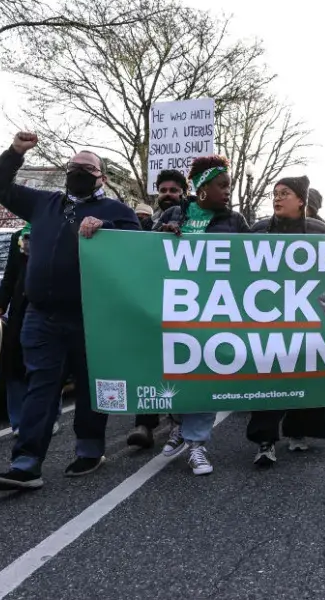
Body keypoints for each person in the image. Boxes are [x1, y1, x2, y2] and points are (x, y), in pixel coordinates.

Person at [0, 132, 140, 491]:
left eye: (88, 168)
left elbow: (138, 247)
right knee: (41, 387)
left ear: (101, 177)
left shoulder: (116, 211)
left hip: (94, 318)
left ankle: (89, 449)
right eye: (73, 167)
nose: (79, 172)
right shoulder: (44, 204)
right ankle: (26, 464)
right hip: (42, 317)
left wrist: (108, 230)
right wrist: (15, 153)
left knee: (90, 386)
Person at [154, 155, 250, 476]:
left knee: (206, 374)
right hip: (173, 311)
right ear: (202, 187)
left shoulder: (235, 222)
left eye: (230, 186)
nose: (228, 192)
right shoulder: (172, 214)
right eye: (222, 185)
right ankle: (180, 424)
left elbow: (258, 261)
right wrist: (161, 236)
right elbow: (140, 253)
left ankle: (196, 444)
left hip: (216, 312)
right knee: (175, 372)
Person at [245, 176, 325, 468]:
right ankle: (265, 440)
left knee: (304, 373)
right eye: (275, 194)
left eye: (285, 193)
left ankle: (299, 431)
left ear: (301, 200)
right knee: (268, 375)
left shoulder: (320, 232)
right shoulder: (258, 230)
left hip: (305, 314)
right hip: (266, 316)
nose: (278, 198)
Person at [125, 170, 189, 449]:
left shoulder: (194, 218)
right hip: (154, 305)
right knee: (150, 363)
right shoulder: (146, 225)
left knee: (184, 363)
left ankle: (181, 423)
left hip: (188, 306)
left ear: (184, 193)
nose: (167, 195)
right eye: (162, 190)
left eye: (174, 190)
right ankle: (145, 424)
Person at [0, 224, 62, 437]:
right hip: (21, 308)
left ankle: (49, 417)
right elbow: (11, 274)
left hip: (49, 307)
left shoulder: (58, 230)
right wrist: (0, 303)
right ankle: (19, 421)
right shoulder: (18, 237)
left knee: (47, 364)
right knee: (15, 365)